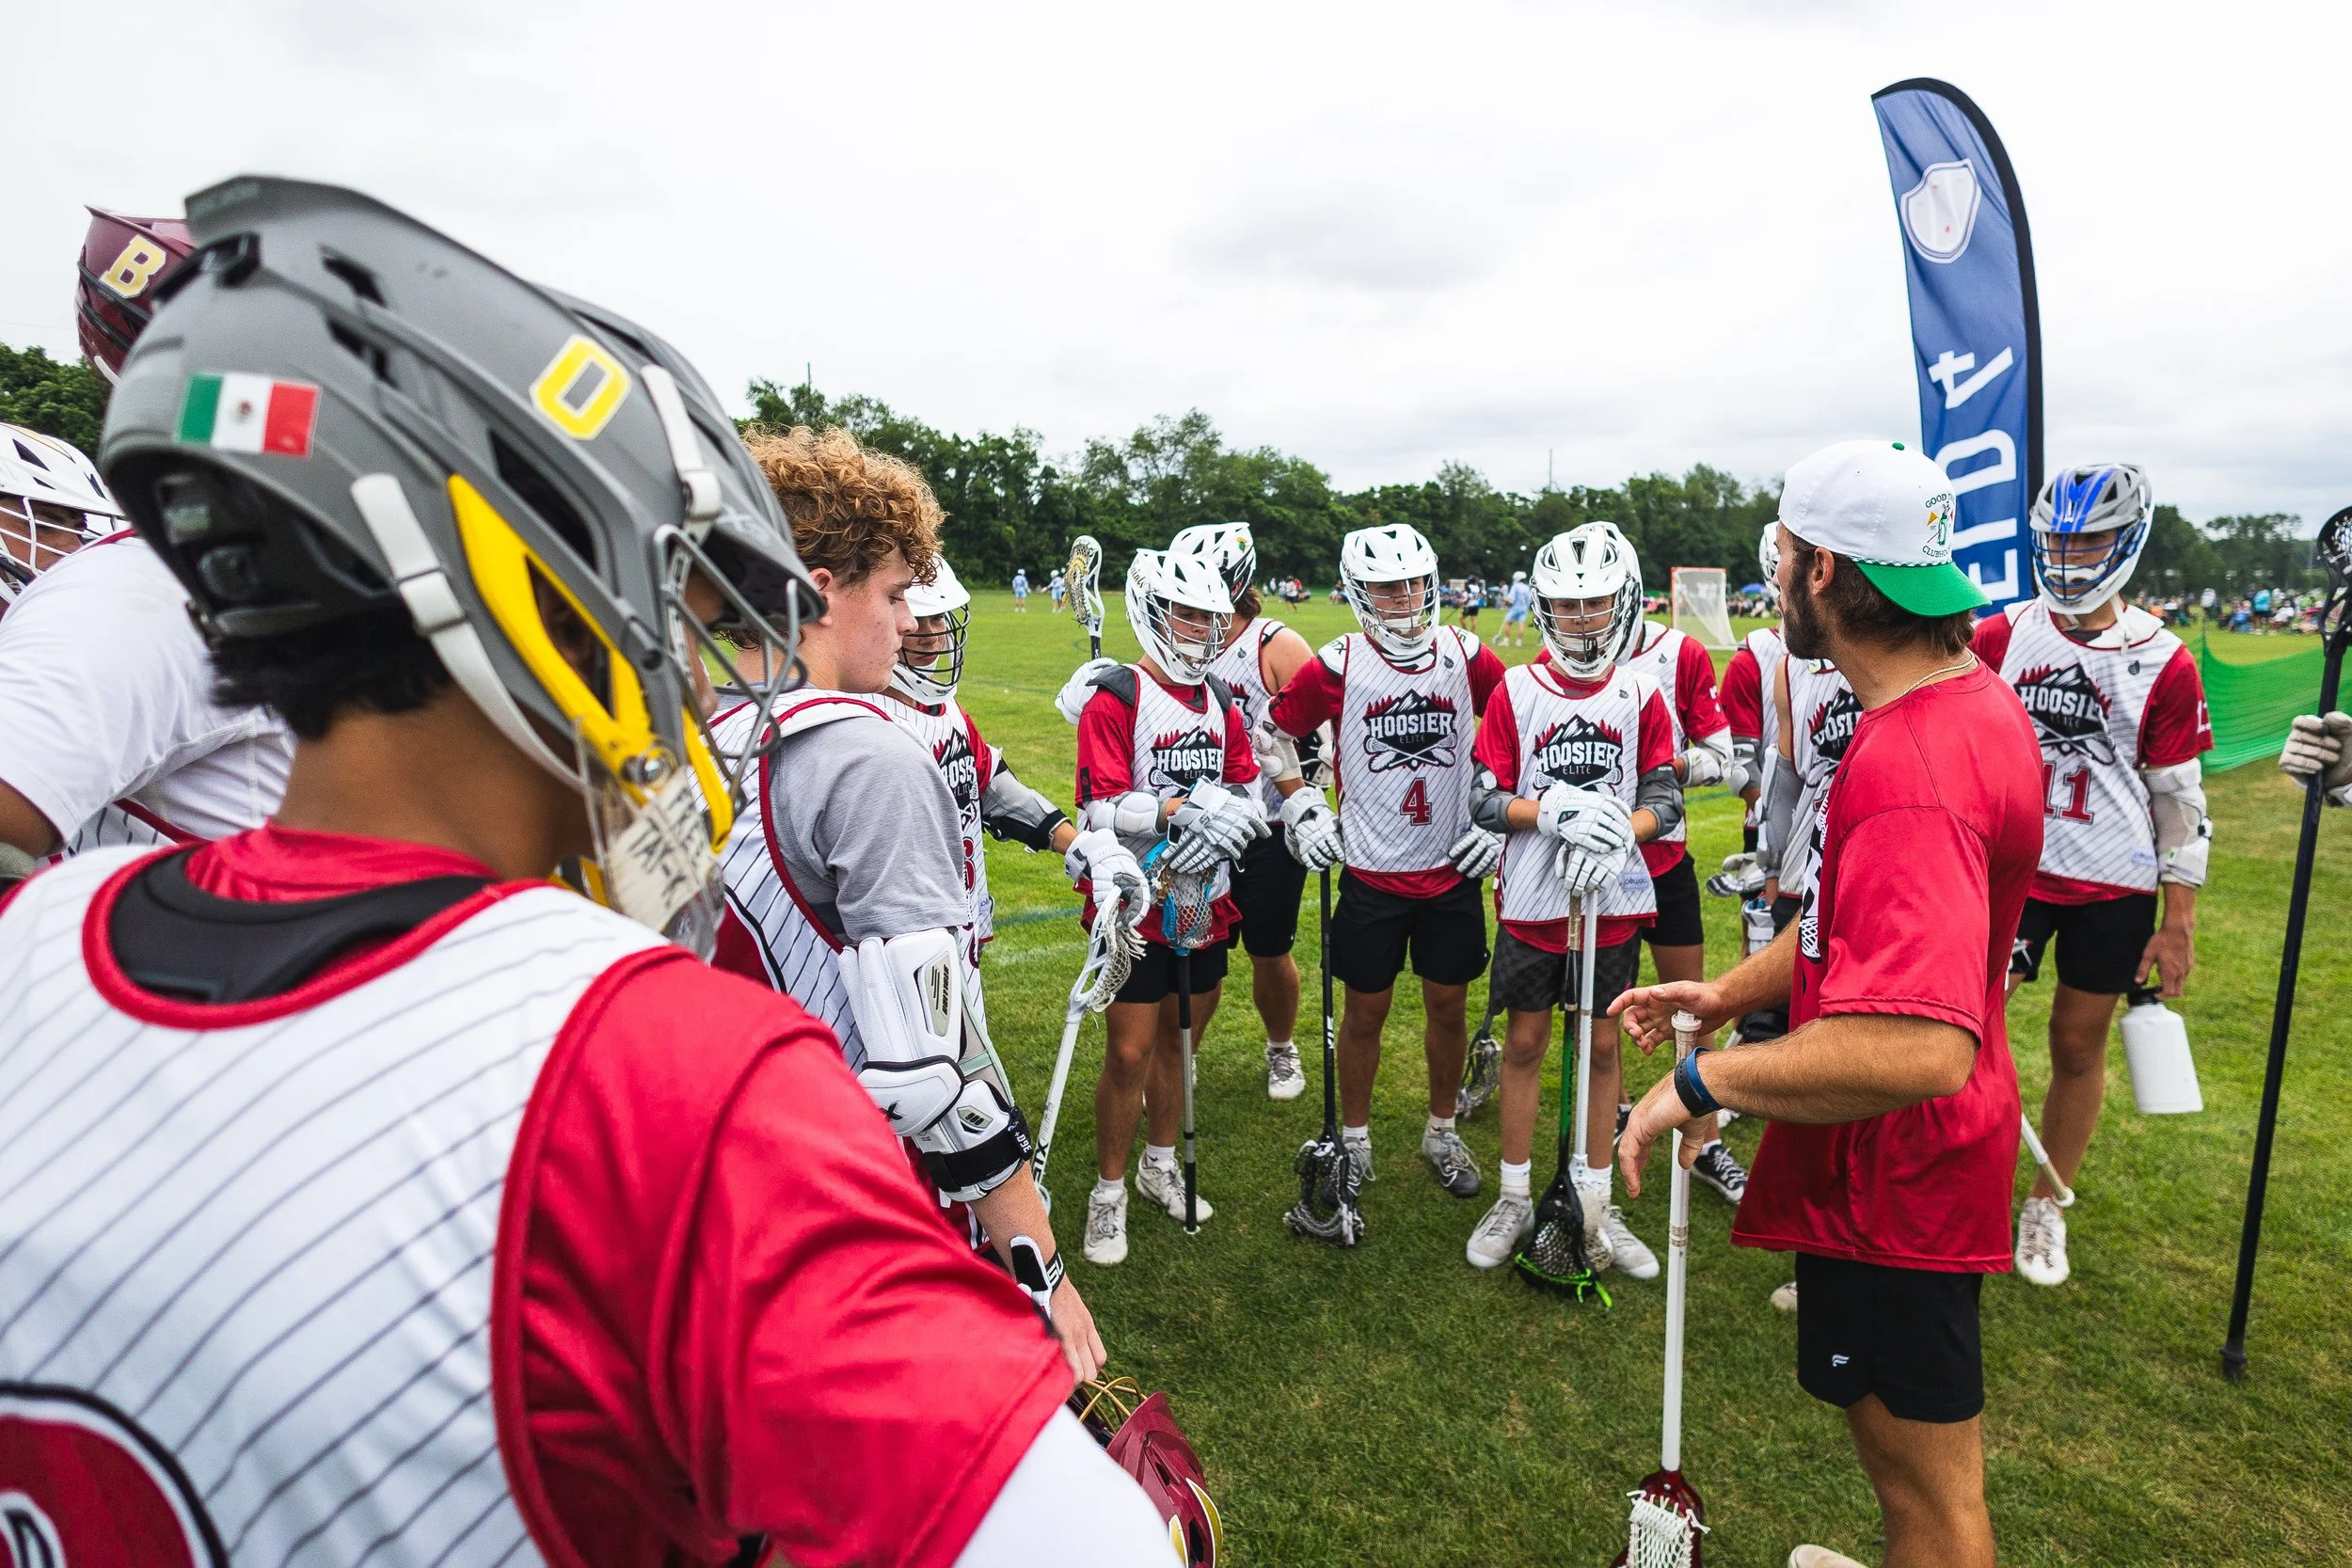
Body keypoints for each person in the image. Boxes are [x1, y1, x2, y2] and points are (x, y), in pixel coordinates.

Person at [1, 175, 1170, 1568]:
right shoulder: (664, 1069)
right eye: (682, 602)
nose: (701, 672)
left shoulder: (40, 934)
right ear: (522, 582)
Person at [1613, 439, 2040, 1568]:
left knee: (1930, 1494)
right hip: (1902, 1167)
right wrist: (1728, 990)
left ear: (1822, 572)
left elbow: (1914, 1045)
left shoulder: (1914, 764)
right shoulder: (1965, 699)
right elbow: (1858, 922)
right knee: (1912, 1474)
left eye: (1788, 552)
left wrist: (1698, 1080)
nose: (1777, 575)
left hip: (1901, 1175)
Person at [711, 426, 1128, 1378]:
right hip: (861, 1186)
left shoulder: (708, 722)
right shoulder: (861, 754)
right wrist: (1043, 1271)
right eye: (895, 595)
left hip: (737, 1177)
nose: (909, 625)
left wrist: (1073, 839)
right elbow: (935, 1079)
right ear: (819, 592)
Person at [1977, 464, 2212, 1287]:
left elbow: (2178, 802)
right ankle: (1952, 1196)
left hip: (2112, 879)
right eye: (2060, 540)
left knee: (2077, 1044)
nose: (2072, 558)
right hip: (2015, 870)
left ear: (2127, 541)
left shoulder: (2165, 660)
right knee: (1962, 1031)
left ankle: (2044, 1204)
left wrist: (2176, 920)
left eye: (2090, 540)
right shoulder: (2002, 635)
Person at [1265, 523, 1506, 1203]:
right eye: (1385, 587)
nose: (1402, 599)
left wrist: (1499, 823)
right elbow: (1273, 733)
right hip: (1371, 871)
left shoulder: (1465, 653)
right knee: (1363, 1011)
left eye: (1412, 584)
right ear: (1360, 593)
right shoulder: (1339, 662)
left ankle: (1441, 1128)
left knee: (1448, 1005)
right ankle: (1358, 1135)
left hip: (1452, 865)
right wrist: (1302, 805)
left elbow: (1515, 729)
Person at [1462, 524, 1678, 1271]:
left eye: (1594, 605)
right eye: (1565, 605)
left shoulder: (1640, 690)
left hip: (1610, 899)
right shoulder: (1517, 690)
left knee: (1601, 1043)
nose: (1581, 619)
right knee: (1523, 1041)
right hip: (1531, 897)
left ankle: (1594, 1199)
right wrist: (1548, 812)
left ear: (1620, 604)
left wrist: (1624, 831)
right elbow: (1484, 800)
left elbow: (1666, 799)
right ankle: (1517, 1193)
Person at [1068, 547, 1263, 1262]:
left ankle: (1158, 1166)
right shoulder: (1116, 694)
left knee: (1182, 1046)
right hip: (1135, 902)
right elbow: (1098, 806)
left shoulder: (1221, 701)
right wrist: (1182, 810)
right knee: (1128, 1051)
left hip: (1202, 896)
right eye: (1186, 612)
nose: (1201, 629)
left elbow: (1244, 787)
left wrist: (1229, 820)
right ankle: (1108, 1192)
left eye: (1211, 617)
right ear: (1152, 611)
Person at [1172, 521, 1327, 1100]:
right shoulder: (1177, 634)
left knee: (1269, 950)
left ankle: (1281, 1048)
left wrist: (1307, 806)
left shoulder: (1274, 643)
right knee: (1196, 950)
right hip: (1202, 825)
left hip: (1268, 826)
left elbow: (1317, 736)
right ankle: (1181, 1055)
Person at [1617, 572, 1740, 1202]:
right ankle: (1610, 1116)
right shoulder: (1562, 652)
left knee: (1695, 1011)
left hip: (1664, 861)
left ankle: (1708, 1138)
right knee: (1596, 1010)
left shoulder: (1679, 652)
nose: (1587, 614)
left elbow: (1723, 755)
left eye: (1601, 598)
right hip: (1598, 866)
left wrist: (1677, 764)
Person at [1502, 569, 1533, 647]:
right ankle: (1518, 642)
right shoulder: (1526, 587)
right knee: (1521, 624)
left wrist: (1506, 601)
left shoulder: (1515, 587)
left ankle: (1506, 641)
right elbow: (1529, 600)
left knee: (1508, 623)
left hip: (1514, 608)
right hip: (1524, 609)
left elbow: (1511, 599)